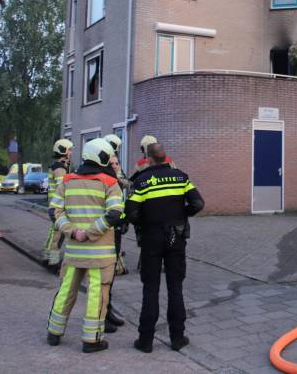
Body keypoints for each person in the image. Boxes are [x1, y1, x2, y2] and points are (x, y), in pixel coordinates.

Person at [45, 138, 124, 353]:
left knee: (66, 291)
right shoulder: (110, 183)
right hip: (99, 254)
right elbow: (115, 214)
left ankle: (54, 332)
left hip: (73, 252)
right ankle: (92, 340)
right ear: (103, 157)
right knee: (97, 295)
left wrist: (72, 232)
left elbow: (54, 212)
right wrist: (89, 233)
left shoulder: (67, 181)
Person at [126, 143, 204, 353]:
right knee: (175, 288)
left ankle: (145, 341)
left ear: (149, 159)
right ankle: (177, 338)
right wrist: (181, 215)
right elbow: (198, 203)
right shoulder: (180, 177)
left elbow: (131, 212)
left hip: (151, 240)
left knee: (150, 288)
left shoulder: (141, 181)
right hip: (176, 238)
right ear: (165, 157)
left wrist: (144, 222)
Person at [101, 134, 128, 333]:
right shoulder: (104, 180)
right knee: (101, 278)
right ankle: (101, 316)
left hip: (114, 230)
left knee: (109, 276)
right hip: (103, 233)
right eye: (114, 161)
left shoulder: (113, 177)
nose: (116, 163)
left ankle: (107, 311)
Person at [43, 138, 73, 271]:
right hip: (58, 208)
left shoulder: (56, 166)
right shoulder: (60, 168)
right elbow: (64, 187)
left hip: (53, 206)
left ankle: (47, 257)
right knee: (58, 236)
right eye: (69, 150)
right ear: (64, 151)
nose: (71, 153)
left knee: (53, 233)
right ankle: (53, 263)